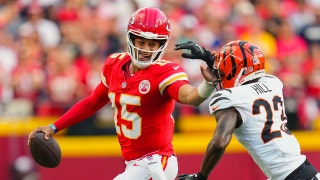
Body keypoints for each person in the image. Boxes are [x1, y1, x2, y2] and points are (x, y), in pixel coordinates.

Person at [27, 7, 216, 180]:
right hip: (134, 163)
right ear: (131, 39)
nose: (146, 49)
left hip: (157, 161)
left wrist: (208, 84)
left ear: (161, 45)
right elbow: (93, 101)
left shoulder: (165, 72)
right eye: (141, 42)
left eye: (152, 44)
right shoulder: (114, 64)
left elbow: (189, 96)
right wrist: (54, 127)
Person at [174, 40, 320, 180]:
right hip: (298, 170)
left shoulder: (230, 98)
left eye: (223, 70)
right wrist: (208, 56)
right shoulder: (272, 82)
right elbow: (242, 72)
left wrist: (201, 176)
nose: (221, 73)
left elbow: (219, 142)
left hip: (290, 175)